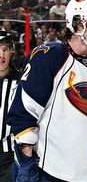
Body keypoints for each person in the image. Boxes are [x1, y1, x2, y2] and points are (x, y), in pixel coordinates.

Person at [6, 0, 87, 182]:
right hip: (49, 170)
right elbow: (25, 110)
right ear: (79, 23)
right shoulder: (48, 57)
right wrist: (26, 158)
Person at [0, 30, 21, 182]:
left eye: (4, 49)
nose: (1, 55)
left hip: (9, 155)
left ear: (11, 51)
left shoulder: (21, 82)